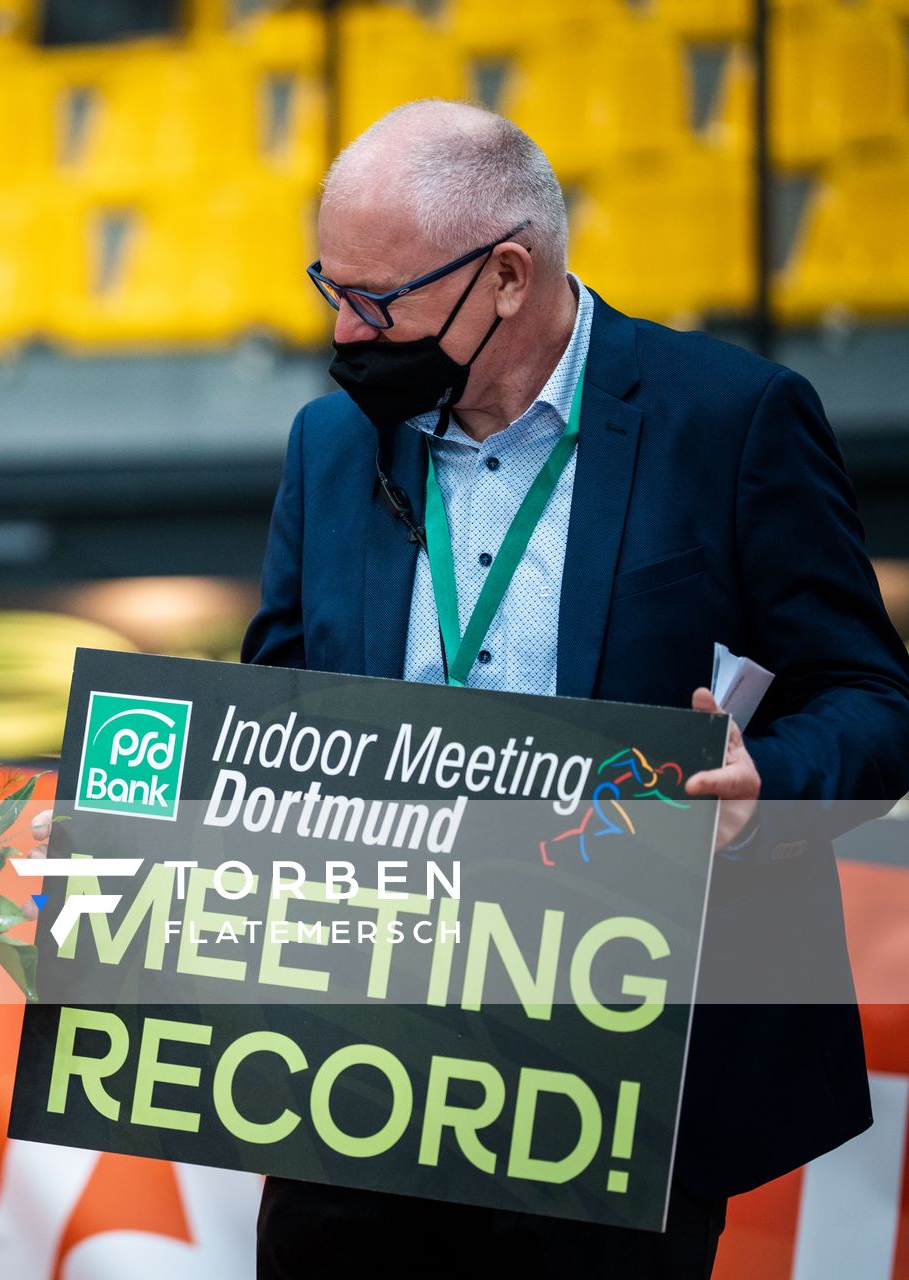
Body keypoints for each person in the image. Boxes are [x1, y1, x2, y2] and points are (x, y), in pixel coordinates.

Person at [243, 100, 909, 1278]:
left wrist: (767, 787)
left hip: (620, 1082)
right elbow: (282, 685)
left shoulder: (733, 418)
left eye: (377, 301)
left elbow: (868, 693)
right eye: (328, 288)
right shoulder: (330, 441)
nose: (345, 329)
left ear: (507, 274)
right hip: (360, 1077)